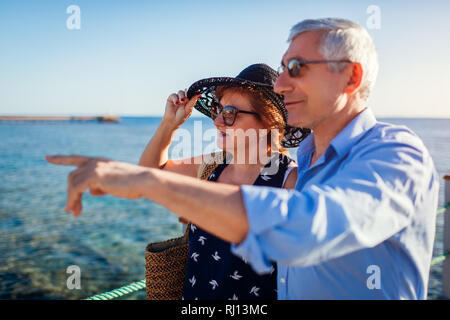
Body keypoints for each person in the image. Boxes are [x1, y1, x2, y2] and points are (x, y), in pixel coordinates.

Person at [46, 18, 439, 299]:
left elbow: (310, 226)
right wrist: (166, 134)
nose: (282, 85)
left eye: (296, 69)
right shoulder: (311, 160)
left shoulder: (395, 153)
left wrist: (148, 183)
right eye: (283, 70)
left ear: (351, 78)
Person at [138, 63, 308, 300]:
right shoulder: (212, 167)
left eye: (230, 114)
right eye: (218, 110)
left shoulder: (289, 183)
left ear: (268, 122)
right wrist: (169, 124)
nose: (217, 120)